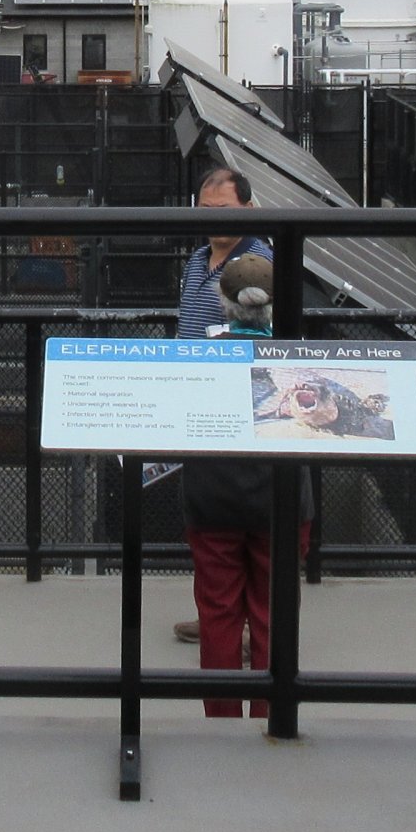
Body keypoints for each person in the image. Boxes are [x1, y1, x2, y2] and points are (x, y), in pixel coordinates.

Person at [174, 170, 280, 718]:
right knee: (231, 583)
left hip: (243, 429)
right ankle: (229, 637)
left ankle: (247, 706)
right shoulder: (197, 261)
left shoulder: (258, 266)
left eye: (224, 207)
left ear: (248, 207)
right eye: (205, 206)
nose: (215, 217)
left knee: (240, 581)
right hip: (198, 419)